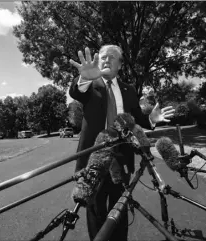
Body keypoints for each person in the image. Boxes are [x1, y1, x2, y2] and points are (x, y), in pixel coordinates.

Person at [69, 45, 175, 241]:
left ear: (120, 64)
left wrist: (151, 119)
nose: (106, 60)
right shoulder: (90, 85)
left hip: (121, 157)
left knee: (121, 206)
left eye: (112, 57)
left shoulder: (129, 90)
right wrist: (84, 78)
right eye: (102, 57)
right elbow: (76, 92)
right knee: (95, 209)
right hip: (94, 157)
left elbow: (136, 118)